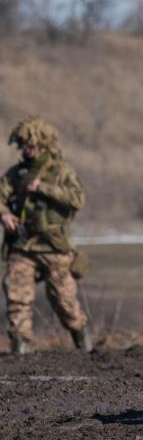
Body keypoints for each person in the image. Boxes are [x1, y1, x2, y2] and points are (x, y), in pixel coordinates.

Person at [0, 116, 91, 354]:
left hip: (54, 246)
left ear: (42, 143)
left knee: (64, 300)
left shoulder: (60, 171)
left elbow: (77, 199)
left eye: (28, 144)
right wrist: (4, 215)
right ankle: (20, 346)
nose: (24, 149)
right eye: (22, 144)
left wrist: (43, 188)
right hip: (24, 245)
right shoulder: (17, 173)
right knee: (16, 293)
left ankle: (82, 341)